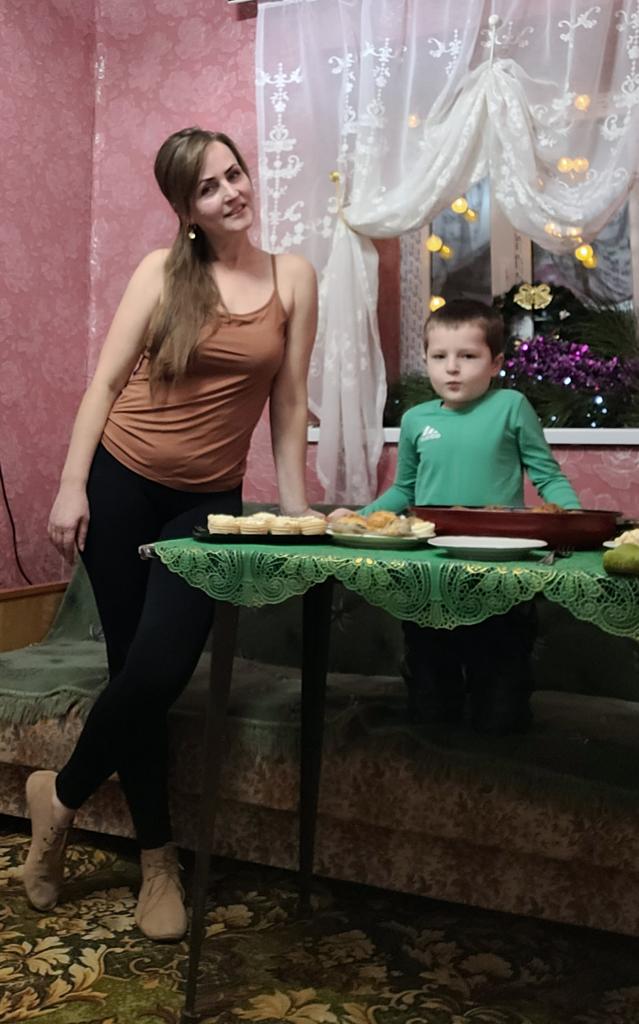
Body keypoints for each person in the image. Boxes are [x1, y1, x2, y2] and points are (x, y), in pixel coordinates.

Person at [23, 127, 318, 941]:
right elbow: (105, 384)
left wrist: (295, 511)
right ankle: (158, 858)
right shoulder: (161, 273)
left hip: (207, 503)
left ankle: (60, 795)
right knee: (135, 672)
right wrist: (71, 485)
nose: (231, 192)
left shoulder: (293, 276)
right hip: (121, 483)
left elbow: (289, 402)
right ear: (186, 209)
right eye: (208, 187)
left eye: (234, 173)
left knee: (159, 668)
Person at [358, 299, 581, 734]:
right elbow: (404, 490)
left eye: (468, 356)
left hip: (502, 573)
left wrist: (573, 520)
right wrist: (359, 518)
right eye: (439, 356)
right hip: (430, 574)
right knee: (430, 699)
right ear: (425, 361)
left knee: (501, 702)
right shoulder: (415, 419)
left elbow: (548, 476)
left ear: (496, 362)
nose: (452, 368)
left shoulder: (512, 406)